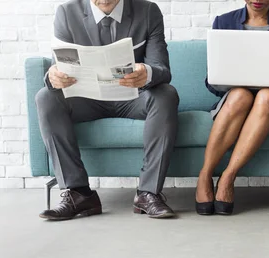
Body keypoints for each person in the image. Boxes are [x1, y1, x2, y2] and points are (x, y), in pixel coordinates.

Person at [36, 0, 179, 220]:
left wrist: (147, 72)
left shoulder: (148, 11)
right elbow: (60, 64)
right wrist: (53, 75)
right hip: (86, 98)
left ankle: (148, 192)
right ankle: (78, 193)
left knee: (166, 94)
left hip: (132, 96)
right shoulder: (66, 12)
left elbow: (162, 69)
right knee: (46, 97)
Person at [195, 0, 269, 216]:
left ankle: (228, 176)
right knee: (240, 96)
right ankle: (205, 175)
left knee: (265, 96)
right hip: (236, 100)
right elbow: (212, 80)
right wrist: (229, 81)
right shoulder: (224, 21)